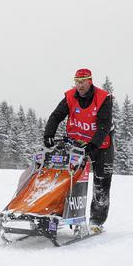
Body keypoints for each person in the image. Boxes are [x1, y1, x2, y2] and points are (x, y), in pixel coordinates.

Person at [43, 68, 114, 232]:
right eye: (77, 82)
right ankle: (58, 214)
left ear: (90, 81)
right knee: (67, 177)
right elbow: (56, 116)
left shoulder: (103, 98)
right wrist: (48, 134)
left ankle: (96, 221)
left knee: (101, 183)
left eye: (82, 82)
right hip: (77, 143)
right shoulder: (70, 97)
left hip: (101, 145)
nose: (79, 85)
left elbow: (104, 126)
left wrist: (93, 145)